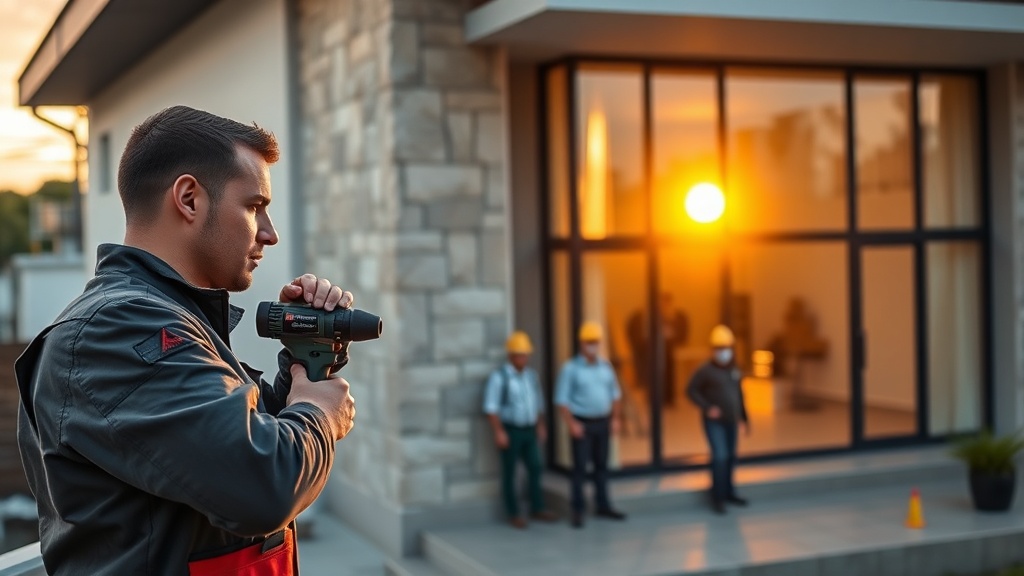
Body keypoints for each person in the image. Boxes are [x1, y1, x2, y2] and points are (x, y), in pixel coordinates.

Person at [15, 105, 357, 574]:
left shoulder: (172, 320)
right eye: (255, 206)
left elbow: (217, 458)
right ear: (190, 199)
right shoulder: (115, 330)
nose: (270, 234)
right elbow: (259, 487)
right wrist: (320, 413)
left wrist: (302, 365)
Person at [555, 321, 627, 528]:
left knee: (602, 466)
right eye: (589, 342)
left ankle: (603, 505)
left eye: (596, 342)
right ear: (581, 344)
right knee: (579, 469)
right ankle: (577, 510)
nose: (593, 345)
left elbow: (615, 394)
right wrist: (571, 424)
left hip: (603, 422)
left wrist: (615, 418)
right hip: (582, 424)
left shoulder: (605, 367)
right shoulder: (570, 369)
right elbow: (561, 400)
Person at [482, 331, 558, 529]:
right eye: (519, 354)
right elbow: (491, 407)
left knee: (535, 466)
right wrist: (499, 431)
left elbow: (538, 402)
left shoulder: (531, 376)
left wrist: (540, 425)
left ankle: (537, 507)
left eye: (525, 354)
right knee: (510, 472)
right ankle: (513, 512)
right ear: (511, 355)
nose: (523, 358)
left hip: (529, 429)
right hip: (511, 429)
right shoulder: (500, 378)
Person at [686, 324, 750, 514]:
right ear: (713, 349)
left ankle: (730, 492)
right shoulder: (705, 370)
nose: (723, 352)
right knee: (720, 456)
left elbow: (739, 395)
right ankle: (717, 497)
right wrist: (707, 407)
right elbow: (691, 391)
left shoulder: (734, 369)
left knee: (730, 456)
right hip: (714, 422)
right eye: (719, 348)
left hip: (731, 420)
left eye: (726, 348)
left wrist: (744, 419)